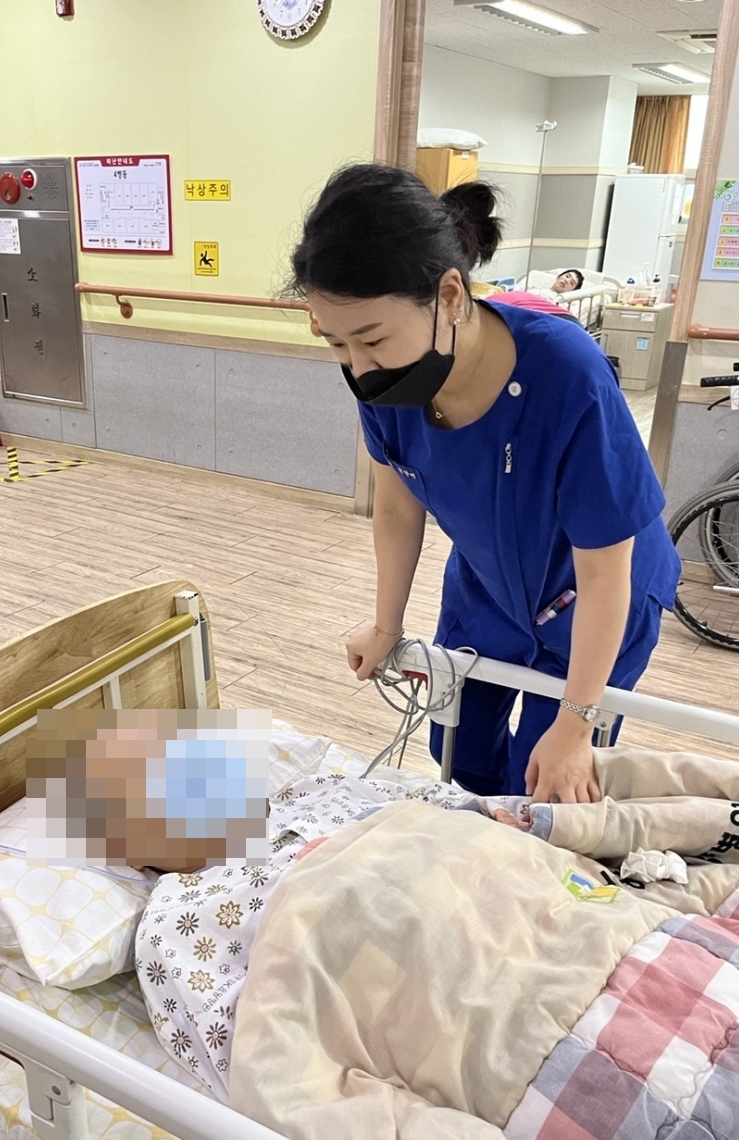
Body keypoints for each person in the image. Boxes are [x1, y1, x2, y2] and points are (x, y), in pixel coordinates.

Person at [291, 162, 679, 808]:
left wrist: (576, 724)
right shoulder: (387, 385)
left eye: (371, 339)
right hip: (489, 585)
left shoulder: (565, 375)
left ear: (449, 296)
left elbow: (607, 569)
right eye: (335, 344)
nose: (359, 367)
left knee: (544, 780)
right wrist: (386, 625)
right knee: (457, 748)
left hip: (594, 598)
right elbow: (397, 508)